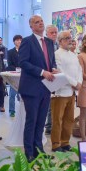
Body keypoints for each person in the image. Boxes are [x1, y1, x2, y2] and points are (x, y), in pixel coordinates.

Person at [18, 15, 57, 162]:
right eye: (36, 22)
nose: (40, 23)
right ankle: (29, 152)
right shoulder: (27, 41)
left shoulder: (49, 42)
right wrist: (42, 72)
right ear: (31, 26)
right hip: (31, 87)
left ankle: (39, 150)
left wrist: (53, 69)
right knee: (32, 121)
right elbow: (23, 62)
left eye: (41, 21)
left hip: (46, 87)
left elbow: (51, 61)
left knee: (41, 122)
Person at [51, 31, 82, 152]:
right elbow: (60, 72)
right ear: (60, 41)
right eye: (67, 38)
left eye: (70, 38)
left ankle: (65, 142)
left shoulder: (73, 55)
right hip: (61, 91)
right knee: (57, 119)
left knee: (69, 119)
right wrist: (75, 83)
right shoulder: (57, 54)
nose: (70, 40)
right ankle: (56, 144)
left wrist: (79, 82)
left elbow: (79, 70)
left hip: (72, 92)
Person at [44, 25, 59, 134]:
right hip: (46, 76)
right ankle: (49, 126)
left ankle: (53, 124)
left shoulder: (58, 45)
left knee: (55, 101)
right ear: (46, 34)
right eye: (51, 33)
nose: (54, 34)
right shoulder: (44, 44)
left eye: (55, 32)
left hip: (57, 76)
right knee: (49, 103)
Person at [6, 35, 22, 117]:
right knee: (12, 94)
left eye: (20, 40)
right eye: (17, 40)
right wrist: (17, 68)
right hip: (14, 75)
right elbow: (9, 65)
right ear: (14, 42)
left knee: (22, 95)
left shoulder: (25, 51)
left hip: (23, 75)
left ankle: (22, 110)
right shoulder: (10, 52)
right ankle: (12, 110)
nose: (19, 41)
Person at [0, 37, 7, 112]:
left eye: (0, 40)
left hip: (1, 70)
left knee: (1, 89)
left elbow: (3, 57)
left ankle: (2, 105)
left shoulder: (4, 48)